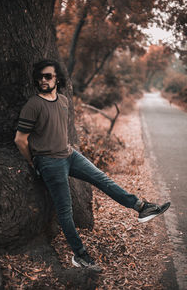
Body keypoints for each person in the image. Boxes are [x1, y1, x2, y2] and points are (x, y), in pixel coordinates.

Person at [14, 59, 170, 271]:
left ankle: (142, 207)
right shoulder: (33, 105)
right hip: (49, 162)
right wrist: (35, 162)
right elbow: (20, 139)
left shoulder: (63, 101)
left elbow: (60, 130)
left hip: (69, 154)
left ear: (57, 78)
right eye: (40, 76)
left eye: (48, 76)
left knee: (102, 179)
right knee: (65, 210)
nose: (43, 80)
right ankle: (80, 255)